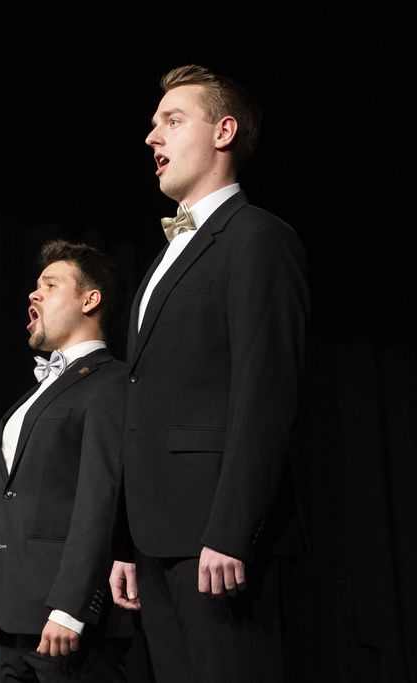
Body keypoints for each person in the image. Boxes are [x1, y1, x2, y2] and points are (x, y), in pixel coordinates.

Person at [111, 65, 309, 682]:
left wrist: (232, 530)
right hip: (156, 540)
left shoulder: (258, 238)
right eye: (153, 124)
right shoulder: (162, 258)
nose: (152, 137)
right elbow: (143, 403)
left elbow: (265, 393)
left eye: (172, 121)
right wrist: (124, 542)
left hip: (218, 542)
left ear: (224, 132)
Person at [0, 240, 131, 681]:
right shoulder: (35, 394)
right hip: (11, 621)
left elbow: (99, 502)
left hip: (66, 624)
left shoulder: (110, 383)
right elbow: (6, 513)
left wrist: (71, 607)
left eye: (51, 285)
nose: (34, 294)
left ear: (90, 300)